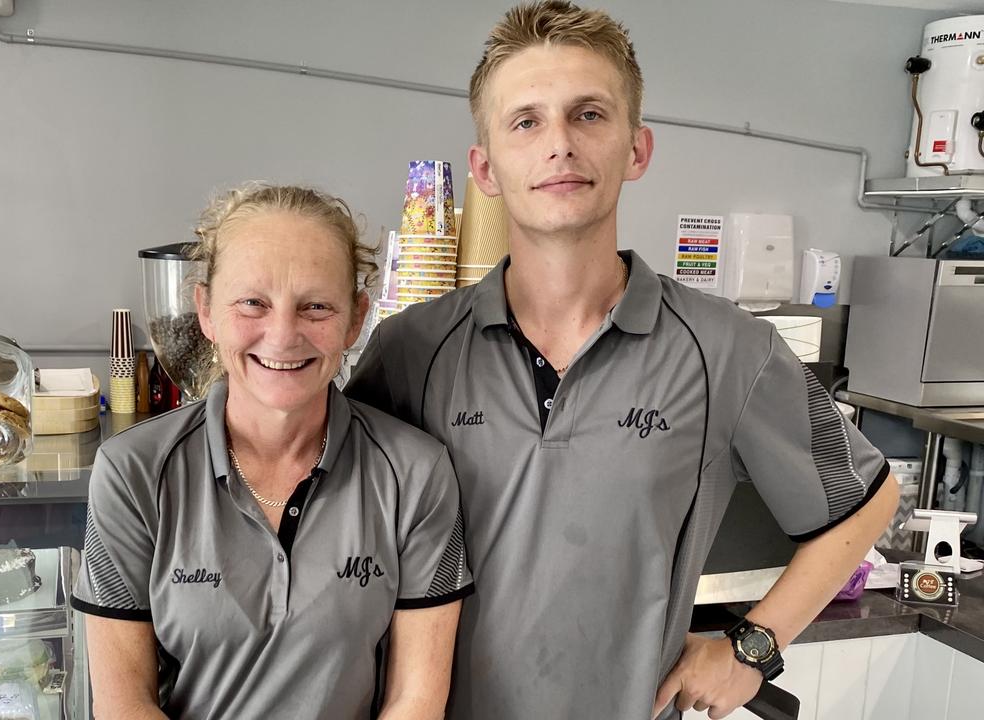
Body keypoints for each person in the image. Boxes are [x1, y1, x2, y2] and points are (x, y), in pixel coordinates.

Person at [346, 3, 899, 718]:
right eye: (526, 121)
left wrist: (752, 646)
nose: (560, 145)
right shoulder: (410, 350)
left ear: (637, 150)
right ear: (485, 167)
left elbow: (865, 500)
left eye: (589, 115)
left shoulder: (730, 349)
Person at [72, 184, 473, 719]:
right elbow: (125, 705)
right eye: (253, 303)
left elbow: (415, 700)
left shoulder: (416, 474)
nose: (283, 336)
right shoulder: (133, 472)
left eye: (315, 307)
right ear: (207, 311)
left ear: (356, 318)